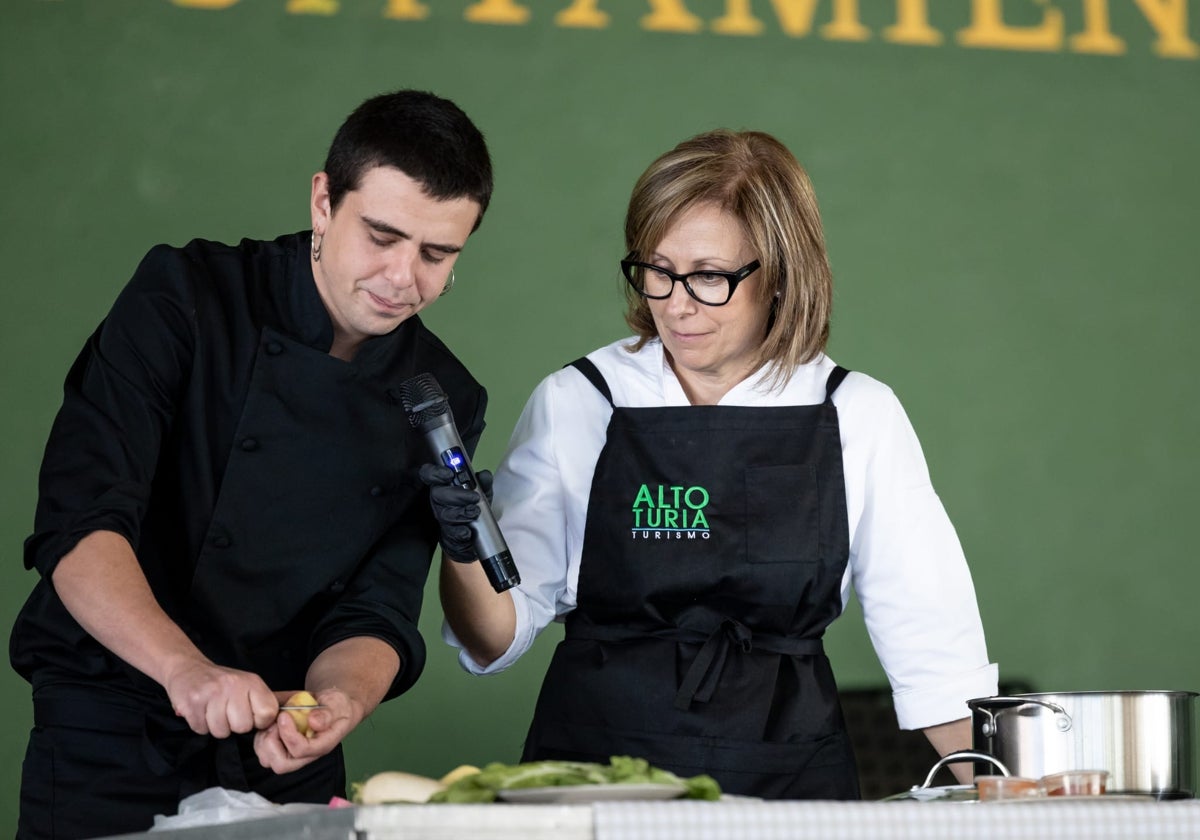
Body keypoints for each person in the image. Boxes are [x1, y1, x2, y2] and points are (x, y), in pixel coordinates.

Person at [427, 129, 998, 800]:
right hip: (596, 782)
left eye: (708, 276)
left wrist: (1015, 807)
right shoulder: (580, 400)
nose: (675, 303)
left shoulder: (856, 413)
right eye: (657, 270)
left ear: (780, 276)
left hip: (791, 783)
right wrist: (461, 544)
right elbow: (495, 637)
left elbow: (937, 657)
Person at [11, 89, 494, 838]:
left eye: (437, 254)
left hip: (287, 754)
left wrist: (340, 704)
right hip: (110, 730)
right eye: (382, 236)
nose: (405, 277)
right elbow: (80, 527)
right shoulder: (185, 298)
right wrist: (186, 670)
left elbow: (379, 605)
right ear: (324, 201)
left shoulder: (442, 396)